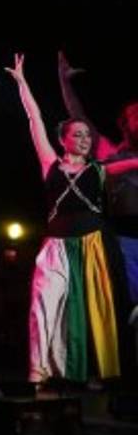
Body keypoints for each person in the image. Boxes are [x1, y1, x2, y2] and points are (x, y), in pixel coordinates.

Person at [7, 54, 138, 384]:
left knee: (94, 309)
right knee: (43, 303)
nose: (84, 139)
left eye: (87, 136)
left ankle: (92, 371)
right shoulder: (49, 163)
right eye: (77, 134)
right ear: (63, 138)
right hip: (55, 246)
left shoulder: (100, 169)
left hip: (93, 245)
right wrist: (22, 83)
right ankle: (37, 369)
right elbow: (34, 118)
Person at [58, 50, 138, 316]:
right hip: (124, 240)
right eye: (136, 114)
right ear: (124, 123)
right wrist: (65, 82)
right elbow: (78, 116)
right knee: (128, 310)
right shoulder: (111, 153)